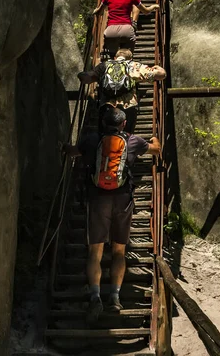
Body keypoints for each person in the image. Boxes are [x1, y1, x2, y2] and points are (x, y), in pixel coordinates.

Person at [65, 108, 161, 322]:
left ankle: (95, 296)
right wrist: (155, 139)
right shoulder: (133, 141)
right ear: (124, 124)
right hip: (122, 199)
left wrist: (65, 147)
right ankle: (116, 297)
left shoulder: (92, 139)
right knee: (119, 250)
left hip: (98, 198)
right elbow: (156, 149)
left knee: (95, 252)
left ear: (102, 122)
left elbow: (73, 151)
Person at [77, 48, 166, 133]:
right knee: (126, 139)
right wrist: (157, 68)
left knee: (104, 138)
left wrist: (82, 74)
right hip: (128, 107)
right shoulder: (134, 66)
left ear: (115, 57)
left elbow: (86, 78)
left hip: (107, 107)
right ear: (130, 58)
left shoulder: (103, 65)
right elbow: (161, 75)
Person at [93, 0, 159, 56]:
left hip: (111, 31)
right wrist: (153, 6)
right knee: (127, 55)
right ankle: (127, 61)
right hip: (126, 29)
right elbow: (146, 11)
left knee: (112, 55)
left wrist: (95, 11)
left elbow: (99, 11)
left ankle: (111, 59)